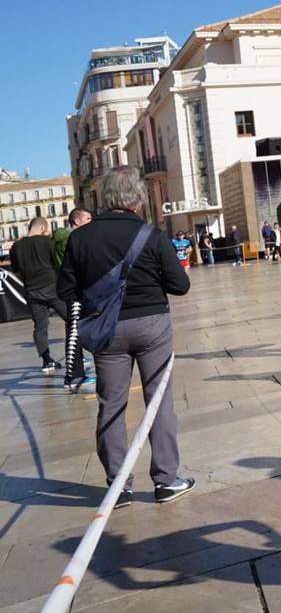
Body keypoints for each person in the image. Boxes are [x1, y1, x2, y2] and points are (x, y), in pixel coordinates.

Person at [56, 166, 195, 507]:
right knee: (159, 400)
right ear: (137, 198)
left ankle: (119, 485)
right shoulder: (152, 234)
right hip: (151, 327)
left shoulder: (80, 237)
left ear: (107, 197)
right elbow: (180, 285)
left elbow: (65, 290)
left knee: (111, 404)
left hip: (106, 331)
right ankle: (165, 480)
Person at [10, 216, 88, 388]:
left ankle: (46, 361)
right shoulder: (47, 242)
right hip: (52, 287)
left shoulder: (16, 246)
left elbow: (15, 268)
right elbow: (57, 263)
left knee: (40, 326)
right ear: (44, 228)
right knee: (72, 320)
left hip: (31, 290)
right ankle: (76, 358)